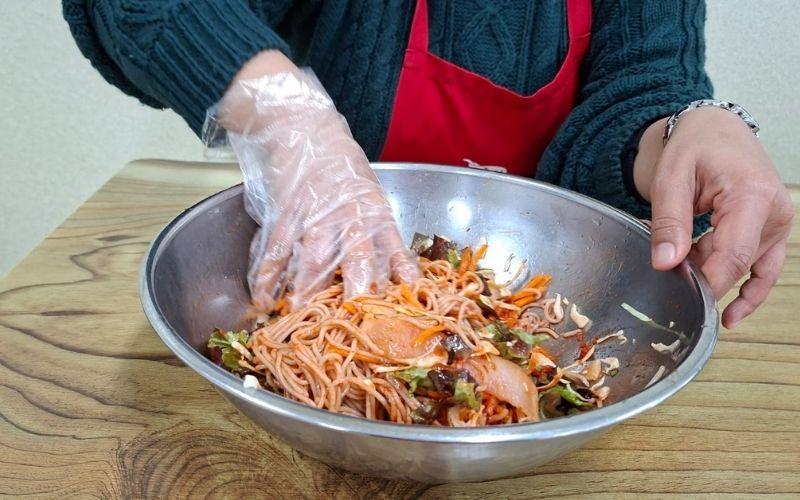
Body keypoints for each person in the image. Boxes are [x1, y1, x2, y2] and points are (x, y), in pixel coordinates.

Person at [64, 0, 793, 329]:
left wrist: (686, 128)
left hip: (547, 306)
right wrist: (290, 125)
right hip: (323, 275)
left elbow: (641, 84)